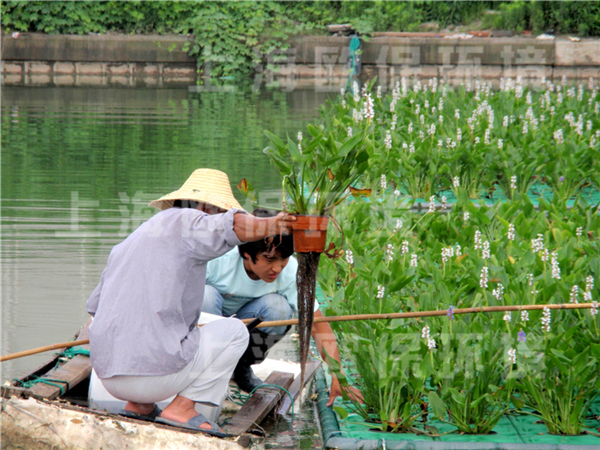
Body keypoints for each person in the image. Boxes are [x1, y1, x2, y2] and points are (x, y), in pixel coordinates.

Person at [85, 169, 294, 436]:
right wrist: (276, 224)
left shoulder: (133, 239)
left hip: (108, 377)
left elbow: (94, 307)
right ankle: (181, 409)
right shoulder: (190, 221)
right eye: (220, 212)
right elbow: (232, 226)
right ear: (205, 208)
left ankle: (139, 405)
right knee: (234, 332)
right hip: (151, 378)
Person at [203, 210, 362, 406]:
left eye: (283, 259)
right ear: (246, 253)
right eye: (270, 260)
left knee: (278, 308)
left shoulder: (290, 271)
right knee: (205, 296)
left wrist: (339, 376)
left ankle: (240, 368)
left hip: (246, 323)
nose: (277, 268)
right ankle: (202, 368)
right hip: (209, 321)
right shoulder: (218, 259)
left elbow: (316, 324)